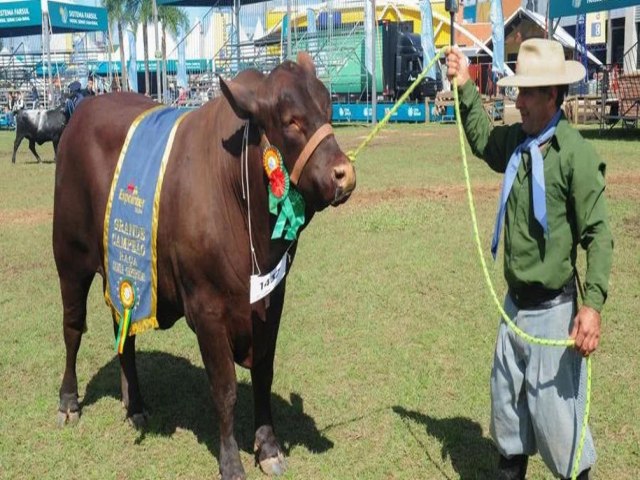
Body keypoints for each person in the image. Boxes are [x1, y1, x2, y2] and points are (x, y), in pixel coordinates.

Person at [446, 38, 613, 480]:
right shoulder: (518, 144)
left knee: (562, 430)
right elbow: (482, 139)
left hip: (554, 315)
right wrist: (464, 82)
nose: (517, 100)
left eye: (526, 92)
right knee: (507, 419)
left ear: (552, 95)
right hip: (513, 309)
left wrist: (592, 306)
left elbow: (598, 234)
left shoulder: (575, 153)